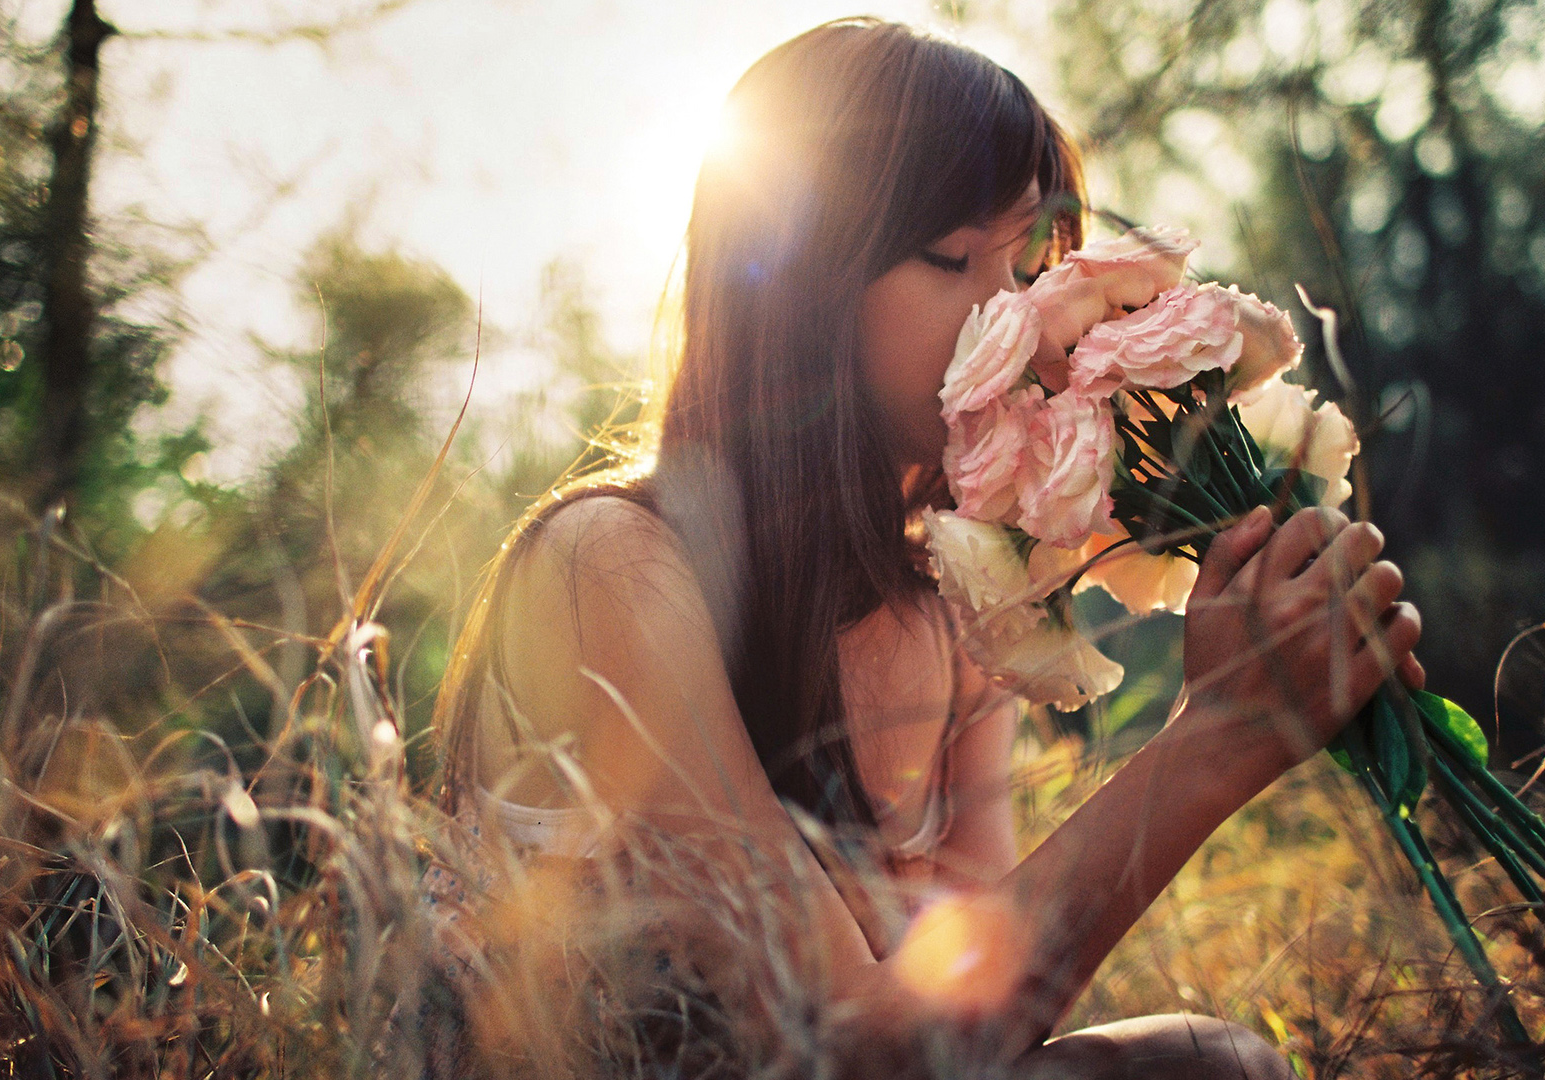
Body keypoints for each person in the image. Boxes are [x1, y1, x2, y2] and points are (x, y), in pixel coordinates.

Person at [427, 16, 1424, 1079]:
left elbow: (972, 1030)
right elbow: (844, 1052)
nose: (1022, 316)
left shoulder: (958, 603)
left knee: (1215, 1064)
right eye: (952, 256)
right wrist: (1219, 735)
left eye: (1037, 264)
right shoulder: (613, 565)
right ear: (800, 287)